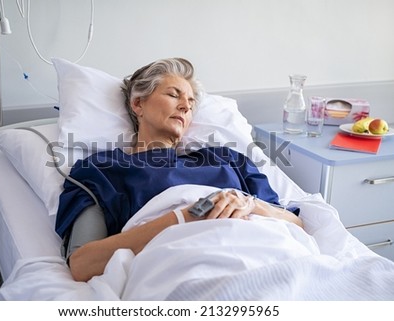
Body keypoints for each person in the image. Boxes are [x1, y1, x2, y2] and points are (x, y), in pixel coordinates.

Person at [55, 58, 303, 282]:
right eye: (174, 95)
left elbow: (295, 224)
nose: (185, 106)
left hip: (266, 256)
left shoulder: (228, 159)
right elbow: (82, 264)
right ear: (138, 104)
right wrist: (185, 217)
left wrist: (250, 204)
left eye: (191, 102)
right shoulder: (102, 169)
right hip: (184, 267)